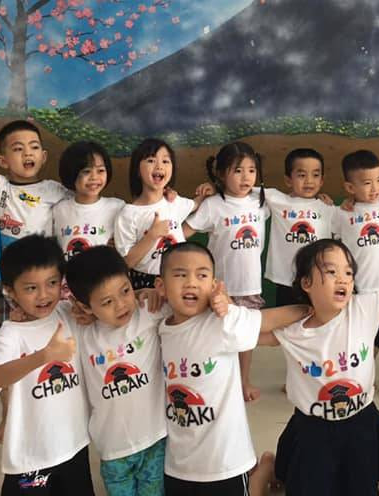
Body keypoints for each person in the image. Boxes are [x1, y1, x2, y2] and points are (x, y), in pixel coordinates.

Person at [258, 238, 379, 496]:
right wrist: (297, 311)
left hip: (360, 422)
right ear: (306, 283)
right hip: (313, 428)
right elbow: (249, 327)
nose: (343, 279)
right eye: (331, 271)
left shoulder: (363, 308)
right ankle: (269, 468)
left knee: (361, 486)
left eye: (348, 272)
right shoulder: (294, 330)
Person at [155, 242, 308, 496]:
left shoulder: (223, 323)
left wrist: (311, 308)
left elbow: (270, 320)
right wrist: (144, 293)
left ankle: (263, 471)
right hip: (178, 463)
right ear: (161, 286)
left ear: (214, 285)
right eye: (180, 275)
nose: (191, 283)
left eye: (201, 275)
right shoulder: (158, 325)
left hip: (226, 461)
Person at [0, 121, 68, 442]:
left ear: (43, 156)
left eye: (33, 147)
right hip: (2, 286)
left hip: (44, 287)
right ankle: (8, 417)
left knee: (45, 348)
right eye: (18, 149)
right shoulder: (0, 188)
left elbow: (86, 202)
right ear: (3, 160)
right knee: (7, 355)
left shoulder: (55, 191)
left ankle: (51, 411)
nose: (27, 153)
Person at [0, 235, 93, 495]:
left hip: (74, 445)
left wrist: (141, 293)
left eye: (52, 283)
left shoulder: (68, 313)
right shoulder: (11, 334)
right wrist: (44, 356)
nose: (44, 295)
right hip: (31, 458)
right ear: (10, 291)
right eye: (31, 288)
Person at [66, 245, 168, 496]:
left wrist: (149, 292)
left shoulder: (149, 313)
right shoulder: (81, 330)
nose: (121, 305)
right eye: (107, 302)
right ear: (85, 307)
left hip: (155, 439)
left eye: (125, 291)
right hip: (112, 448)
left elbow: (186, 301)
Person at [186, 141, 270, 401]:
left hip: (250, 285)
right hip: (220, 287)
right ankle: (216, 382)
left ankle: (243, 381)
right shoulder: (213, 205)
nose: (246, 177)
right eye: (237, 171)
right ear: (221, 174)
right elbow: (184, 232)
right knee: (217, 334)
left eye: (251, 170)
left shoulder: (261, 202)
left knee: (245, 337)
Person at [332, 150, 379, 352]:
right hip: (354, 285)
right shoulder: (341, 213)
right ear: (350, 187)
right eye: (367, 183)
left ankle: (371, 368)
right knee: (354, 331)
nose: (375, 188)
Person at [114, 138, 202, 291]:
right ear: (137, 170)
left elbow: (196, 204)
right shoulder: (128, 214)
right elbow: (127, 262)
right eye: (151, 160)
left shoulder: (174, 201)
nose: (159, 166)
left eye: (166, 161)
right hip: (146, 284)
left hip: (182, 278)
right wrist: (152, 235)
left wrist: (208, 190)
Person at [264, 148, 336, 307]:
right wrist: (215, 188)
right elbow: (246, 190)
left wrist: (350, 202)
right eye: (302, 175)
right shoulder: (277, 201)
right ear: (288, 180)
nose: (309, 181)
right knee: (285, 318)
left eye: (315, 175)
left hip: (317, 277)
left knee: (315, 316)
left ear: (322, 180)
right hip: (286, 280)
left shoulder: (328, 208)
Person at [51, 141, 124, 262]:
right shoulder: (59, 210)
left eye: (100, 170)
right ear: (71, 173)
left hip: (104, 273)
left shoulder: (117, 207)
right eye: (86, 171)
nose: (94, 177)